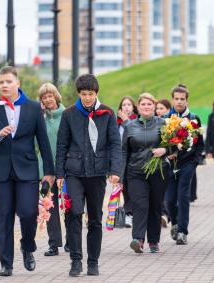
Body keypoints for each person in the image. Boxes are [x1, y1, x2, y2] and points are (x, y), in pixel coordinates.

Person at [0, 66, 55, 276]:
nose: (4, 85)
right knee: (3, 217)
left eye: (8, 81)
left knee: (29, 212)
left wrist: (49, 171)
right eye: (1, 82)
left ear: (17, 83)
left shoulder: (32, 107)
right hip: (0, 171)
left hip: (27, 169)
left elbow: (43, 141)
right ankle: (6, 263)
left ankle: (27, 246)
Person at [56, 74, 121, 277]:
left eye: (90, 94)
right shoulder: (69, 114)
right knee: (74, 212)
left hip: (98, 172)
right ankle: (76, 260)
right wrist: (59, 173)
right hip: (74, 172)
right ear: (78, 94)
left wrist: (115, 170)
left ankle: (93, 262)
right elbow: (61, 145)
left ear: (96, 93)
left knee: (95, 218)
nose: (87, 98)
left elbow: (114, 144)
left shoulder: (107, 114)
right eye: (83, 94)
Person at [121, 93, 170, 253]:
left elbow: (175, 145)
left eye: (149, 104)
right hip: (136, 172)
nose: (146, 107)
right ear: (138, 107)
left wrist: (165, 149)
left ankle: (154, 241)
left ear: (154, 107)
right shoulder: (130, 126)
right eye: (143, 104)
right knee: (140, 205)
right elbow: (123, 152)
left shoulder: (163, 123)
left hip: (158, 171)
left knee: (155, 206)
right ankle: (138, 239)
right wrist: (120, 175)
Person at [164, 84, 204, 245]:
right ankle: (174, 222)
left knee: (183, 197)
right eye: (176, 99)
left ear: (187, 100)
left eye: (182, 99)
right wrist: (167, 154)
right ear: (172, 100)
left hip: (187, 163)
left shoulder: (193, 118)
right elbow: (161, 141)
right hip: (170, 164)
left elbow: (200, 142)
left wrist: (195, 161)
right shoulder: (166, 119)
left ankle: (182, 231)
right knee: (170, 200)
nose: (179, 102)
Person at [37, 83, 68, 256]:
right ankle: (54, 244)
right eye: (44, 97)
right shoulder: (39, 118)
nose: (47, 99)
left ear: (56, 96)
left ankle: (71, 240)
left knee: (69, 206)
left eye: (50, 96)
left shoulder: (67, 115)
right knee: (49, 206)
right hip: (46, 170)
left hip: (66, 167)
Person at [117, 96, 138, 228]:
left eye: (129, 104)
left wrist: (126, 121)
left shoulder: (136, 121)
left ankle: (131, 213)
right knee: (123, 187)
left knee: (133, 189)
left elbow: (133, 134)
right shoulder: (116, 123)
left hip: (134, 160)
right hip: (120, 161)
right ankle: (128, 214)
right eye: (124, 105)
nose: (126, 107)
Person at [155, 98, 171, 227]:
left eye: (162, 108)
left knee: (166, 192)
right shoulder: (153, 123)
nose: (159, 111)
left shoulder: (170, 123)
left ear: (168, 110)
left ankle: (165, 215)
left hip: (168, 162)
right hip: (154, 162)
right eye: (157, 108)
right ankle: (161, 214)